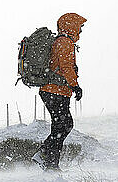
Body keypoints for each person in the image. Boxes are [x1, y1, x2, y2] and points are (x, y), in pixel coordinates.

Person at [32, 13, 86, 171]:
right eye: (79, 27)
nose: (81, 31)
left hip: (56, 91)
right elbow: (66, 67)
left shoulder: (62, 41)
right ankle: (47, 159)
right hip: (55, 91)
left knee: (61, 126)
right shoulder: (64, 42)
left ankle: (48, 160)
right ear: (72, 25)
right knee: (63, 126)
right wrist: (75, 86)